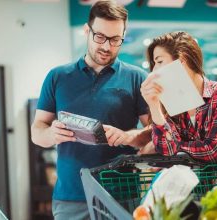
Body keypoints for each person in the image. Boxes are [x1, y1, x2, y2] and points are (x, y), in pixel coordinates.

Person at [31, 1, 150, 219]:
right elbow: (37, 130)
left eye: (115, 40)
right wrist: (50, 134)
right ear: (87, 30)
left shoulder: (136, 78)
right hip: (70, 196)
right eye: (100, 37)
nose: (106, 47)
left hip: (122, 195)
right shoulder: (57, 77)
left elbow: (152, 133)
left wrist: (128, 136)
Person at [139, 31, 217, 169]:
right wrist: (154, 106)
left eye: (159, 61)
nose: (154, 69)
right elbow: (165, 149)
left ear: (182, 60)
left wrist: (175, 147)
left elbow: (212, 150)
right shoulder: (166, 101)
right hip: (180, 187)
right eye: (154, 63)